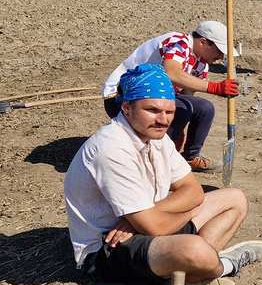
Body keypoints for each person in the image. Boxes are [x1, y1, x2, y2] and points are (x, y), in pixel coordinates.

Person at [67, 63, 262, 285]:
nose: (163, 120)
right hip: (107, 247)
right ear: (127, 108)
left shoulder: (156, 136)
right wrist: (184, 210)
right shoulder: (111, 148)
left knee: (235, 198)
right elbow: (156, 227)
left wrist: (140, 218)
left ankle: (189, 274)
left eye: (169, 112)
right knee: (194, 249)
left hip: (143, 224)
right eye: (152, 110)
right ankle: (222, 265)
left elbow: (192, 191)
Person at [101, 21, 239, 172]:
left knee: (204, 108)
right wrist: (215, 87)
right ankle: (156, 160)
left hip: (155, 101)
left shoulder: (201, 65)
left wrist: (180, 128)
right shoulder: (178, 42)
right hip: (122, 98)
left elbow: (187, 97)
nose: (220, 56)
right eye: (219, 50)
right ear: (203, 42)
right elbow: (172, 73)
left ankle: (190, 157)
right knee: (180, 109)